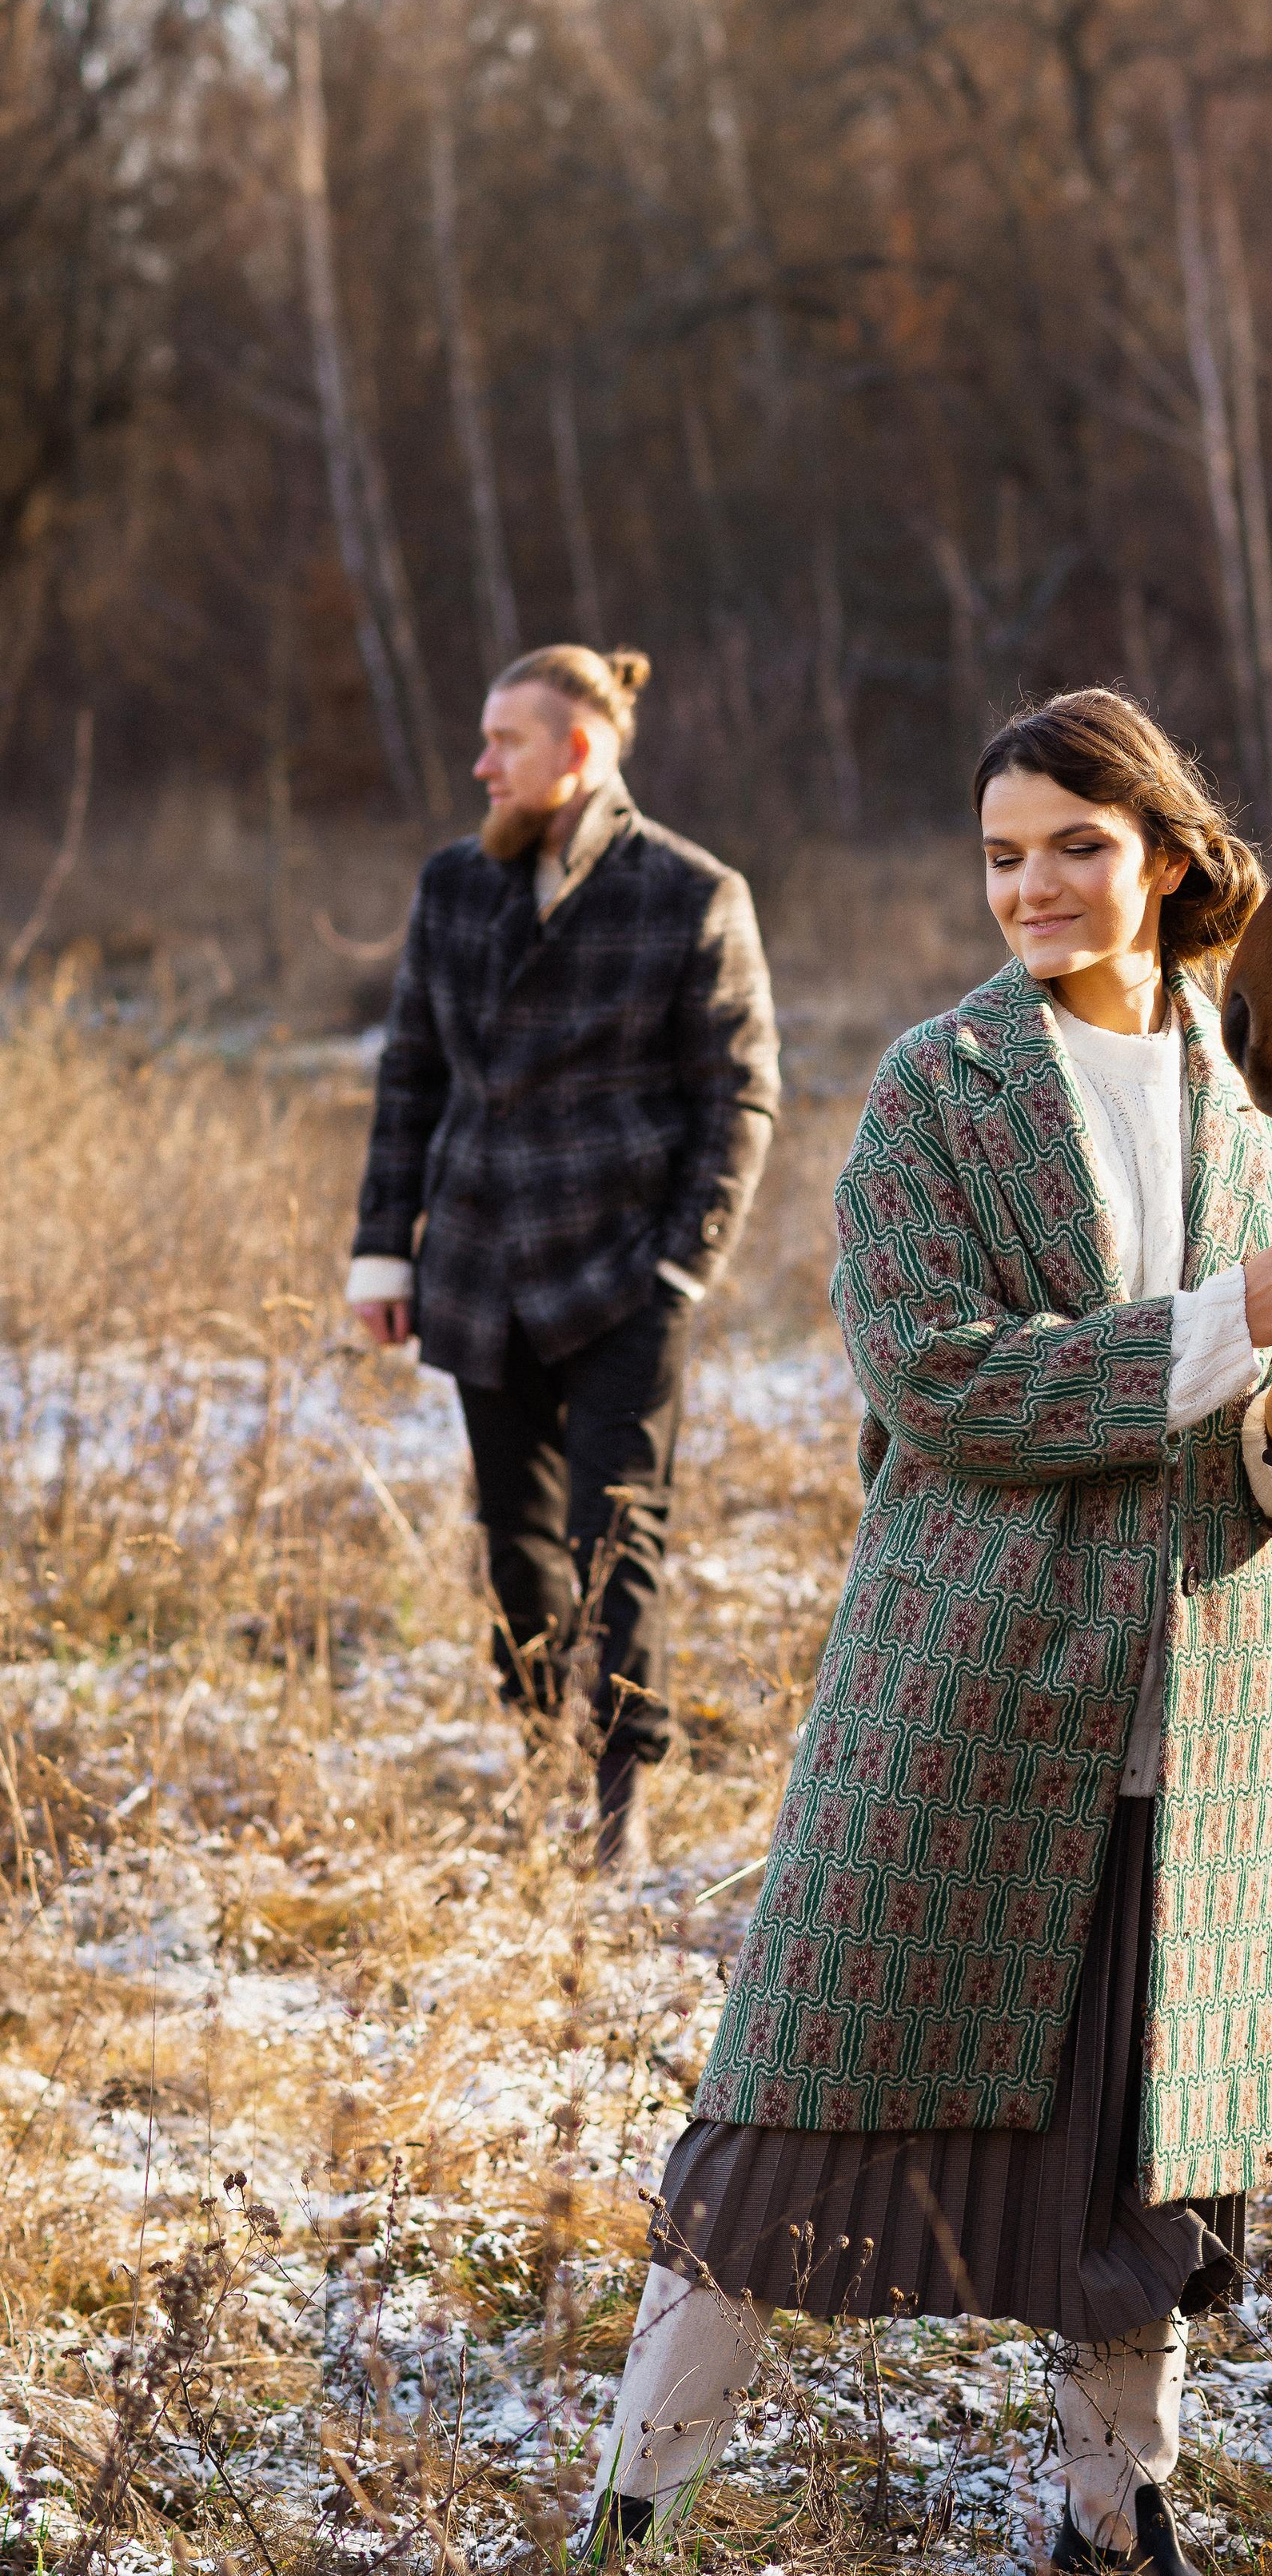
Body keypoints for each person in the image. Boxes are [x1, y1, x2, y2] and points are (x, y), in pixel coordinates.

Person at [584, 687, 1272, 2576]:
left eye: (1073, 847)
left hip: (1190, 1707)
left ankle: (1114, 2526)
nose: (1030, 885)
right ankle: (626, 2522)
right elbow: (942, 1384)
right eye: (1001, 853)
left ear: (1172, 859)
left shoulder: (1263, 1096)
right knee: (791, 2102)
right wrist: (1223, 1331)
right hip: (961, 1681)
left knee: (1150, 2130)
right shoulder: (938, 1088)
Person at [346, 644, 780, 1865]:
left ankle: (616, 1807)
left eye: (505, 743)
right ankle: (544, 1754)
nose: (481, 765)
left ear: (575, 751)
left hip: (623, 1278)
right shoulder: (453, 886)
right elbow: (409, 1077)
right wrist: (386, 1251)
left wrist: (682, 1265)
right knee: (516, 1547)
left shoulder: (692, 892)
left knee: (617, 1541)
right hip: (479, 1267)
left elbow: (741, 1097)